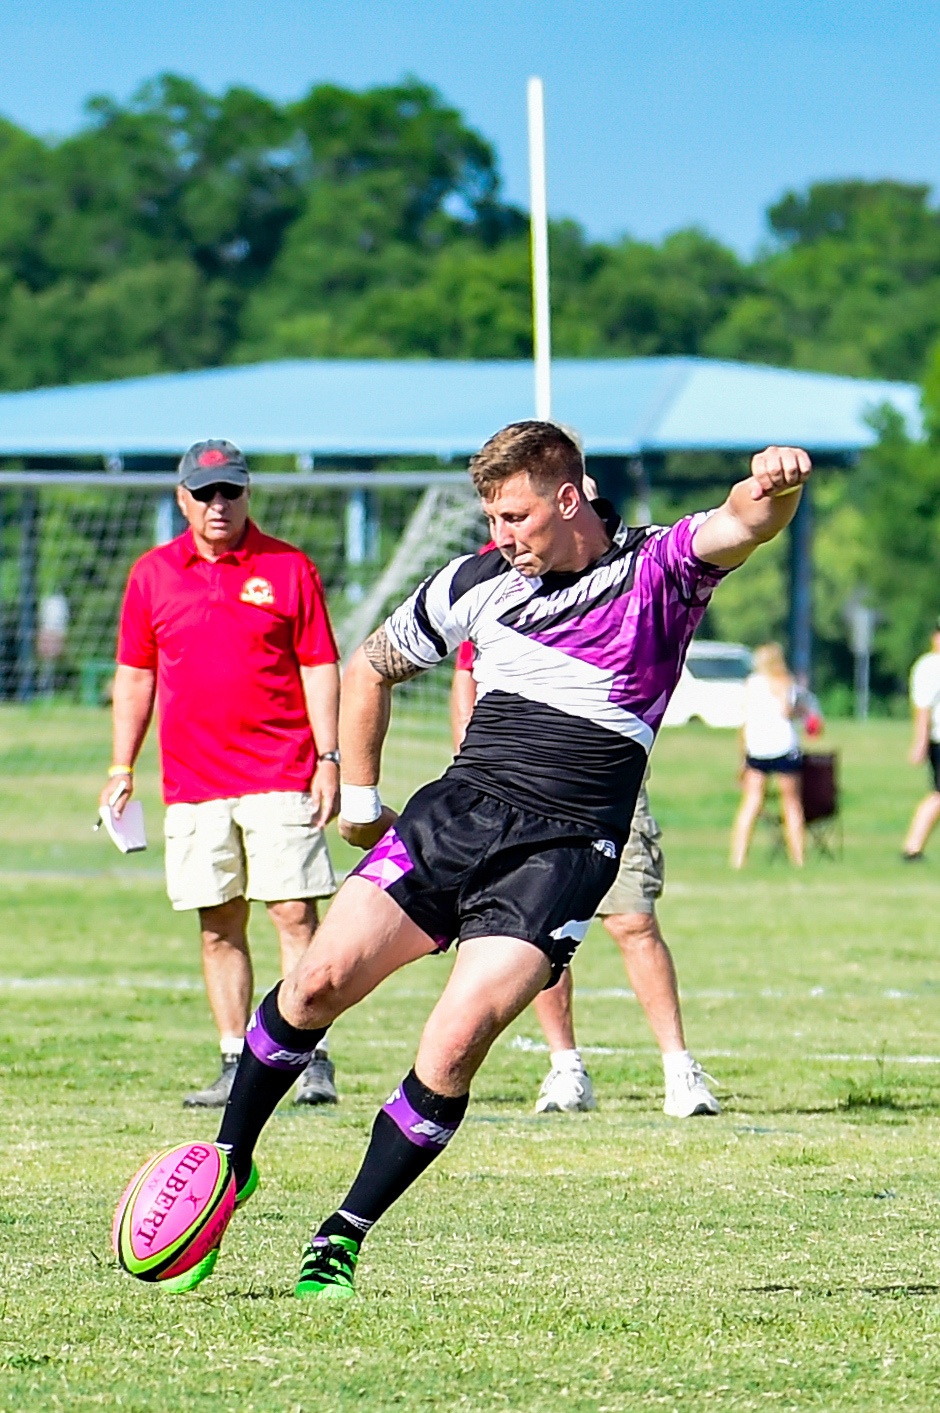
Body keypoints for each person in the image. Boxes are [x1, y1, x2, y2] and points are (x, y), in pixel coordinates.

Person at [170, 425, 809, 1300]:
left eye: (516, 515)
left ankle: (342, 1233)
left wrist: (779, 484)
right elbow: (370, 667)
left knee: (456, 1040)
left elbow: (745, 521)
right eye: (492, 515)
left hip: (565, 847)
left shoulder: (660, 566)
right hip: (458, 812)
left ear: (569, 497)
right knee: (316, 979)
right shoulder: (478, 581)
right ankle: (229, 1162)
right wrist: (359, 799)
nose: (502, 534)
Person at [100, 439, 342, 1110]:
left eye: (229, 491)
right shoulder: (152, 574)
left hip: (281, 770)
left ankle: (309, 1056)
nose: (217, 504)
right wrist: (122, 764)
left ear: (247, 494)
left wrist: (329, 757)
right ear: (181, 498)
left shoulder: (289, 567)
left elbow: (320, 663)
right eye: (203, 493)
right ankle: (237, 1058)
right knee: (218, 924)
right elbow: (136, 672)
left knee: (294, 913)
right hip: (193, 782)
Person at [452, 644, 718, 1118]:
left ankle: (679, 1069)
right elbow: (468, 675)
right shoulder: (495, 578)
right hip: (523, 781)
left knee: (633, 920)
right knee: (536, 930)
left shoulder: (610, 576)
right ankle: (566, 1068)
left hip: (607, 773)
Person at [729, 642, 808, 869]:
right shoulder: (786, 683)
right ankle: (798, 858)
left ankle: (739, 858)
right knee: (791, 802)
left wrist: (742, 756)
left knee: (752, 802)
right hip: (784, 745)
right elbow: (788, 711)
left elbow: (744, 721)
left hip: (757, 747)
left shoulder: (751, 684)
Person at [902, 620, 940, 860]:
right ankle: (913, 847)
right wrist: (920, 741)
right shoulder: (930, 666)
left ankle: (913, 846)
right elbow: (923, 707)